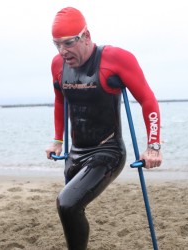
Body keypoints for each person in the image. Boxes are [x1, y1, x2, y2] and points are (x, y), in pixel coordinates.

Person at [45, 7, 162, 250]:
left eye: (68, 43)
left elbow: (147, 100)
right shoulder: (57, 64)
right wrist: (57, 139)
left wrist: (153, 146)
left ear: (86, 35)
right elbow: (59, 100)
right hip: (76, 153)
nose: (62, 51)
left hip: (107, 152)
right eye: (57, 44)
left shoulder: (116, 58)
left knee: (67, 204)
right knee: (72, 210)